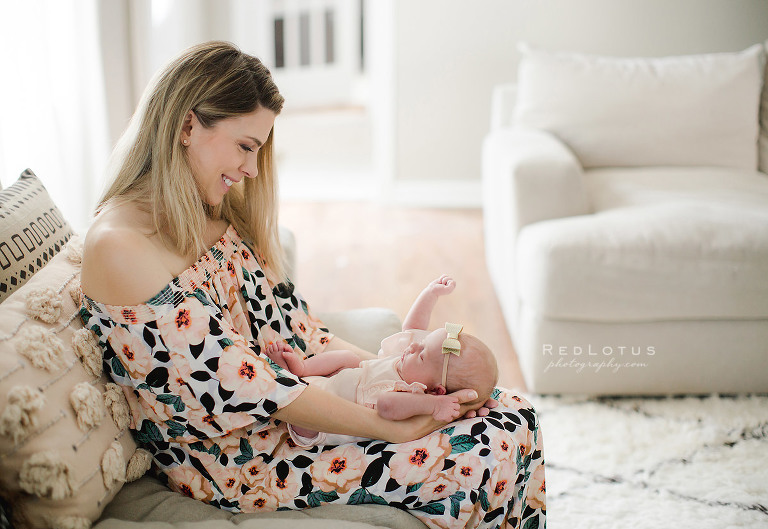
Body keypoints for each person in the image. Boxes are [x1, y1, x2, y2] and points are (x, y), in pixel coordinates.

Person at [79, 41, 545, 529]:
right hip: (243, 462)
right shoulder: (121, 247)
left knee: (513, 413)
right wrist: (388, 426)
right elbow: (249, 385)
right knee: (487, 451)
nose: (251, 170)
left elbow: (299, 328)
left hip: (301, 425)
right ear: (187, 125)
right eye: (245, 146)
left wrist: (395, 372)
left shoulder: (207, 212)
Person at [264, 275, 500, 447]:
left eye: (422, 355)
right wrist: (430, 294)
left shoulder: (415, 396)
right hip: (327, 384)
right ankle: (301, 370)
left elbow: (386, 405)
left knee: (308, 404)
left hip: (318, 425)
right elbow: (413, 328)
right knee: (349, 358)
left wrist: (433, 407)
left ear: (437, 391)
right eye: (423, 342)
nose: (414, 345)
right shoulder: (408, 364)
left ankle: (290, 382)